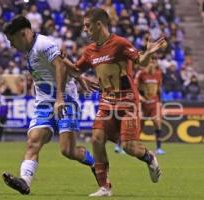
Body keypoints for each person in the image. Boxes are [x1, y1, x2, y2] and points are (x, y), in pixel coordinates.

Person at [63, 8, 166, 197]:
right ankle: (104, 187)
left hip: (127, 101)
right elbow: (76, 70)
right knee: (96, 138)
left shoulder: (119, 43)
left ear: (99, 24)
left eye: (87, 26)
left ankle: (150, 157)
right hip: (106, 101)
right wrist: (60, 58)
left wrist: (149, 52)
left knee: (129, 147)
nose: (85, 30)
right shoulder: (89, 51)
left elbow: (140, 61)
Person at [1, 15, 95, 195]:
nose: (11, 45)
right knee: (33, 141)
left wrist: (60, 97)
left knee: (68, 151)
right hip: (44, 102)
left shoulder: (43, 43)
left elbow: (59, 66)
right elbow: (62, 61)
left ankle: (95, 163)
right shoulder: (29, 50)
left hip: (65, 99)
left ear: (22, 34)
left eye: (11, 40)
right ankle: (24, 181)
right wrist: (78, 75)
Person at [135, 57, 165, 155]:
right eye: (150, 62)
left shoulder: (158, 74)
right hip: (143, 103)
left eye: (154, 62)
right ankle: (133, 145)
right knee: (139, 125)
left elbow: (159, 88)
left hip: (154, 103)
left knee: (157, 121)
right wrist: (140, 97)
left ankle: (159, 148)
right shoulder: (141, 74)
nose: (152, 64)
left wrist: (160, 100)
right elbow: (134, 88)